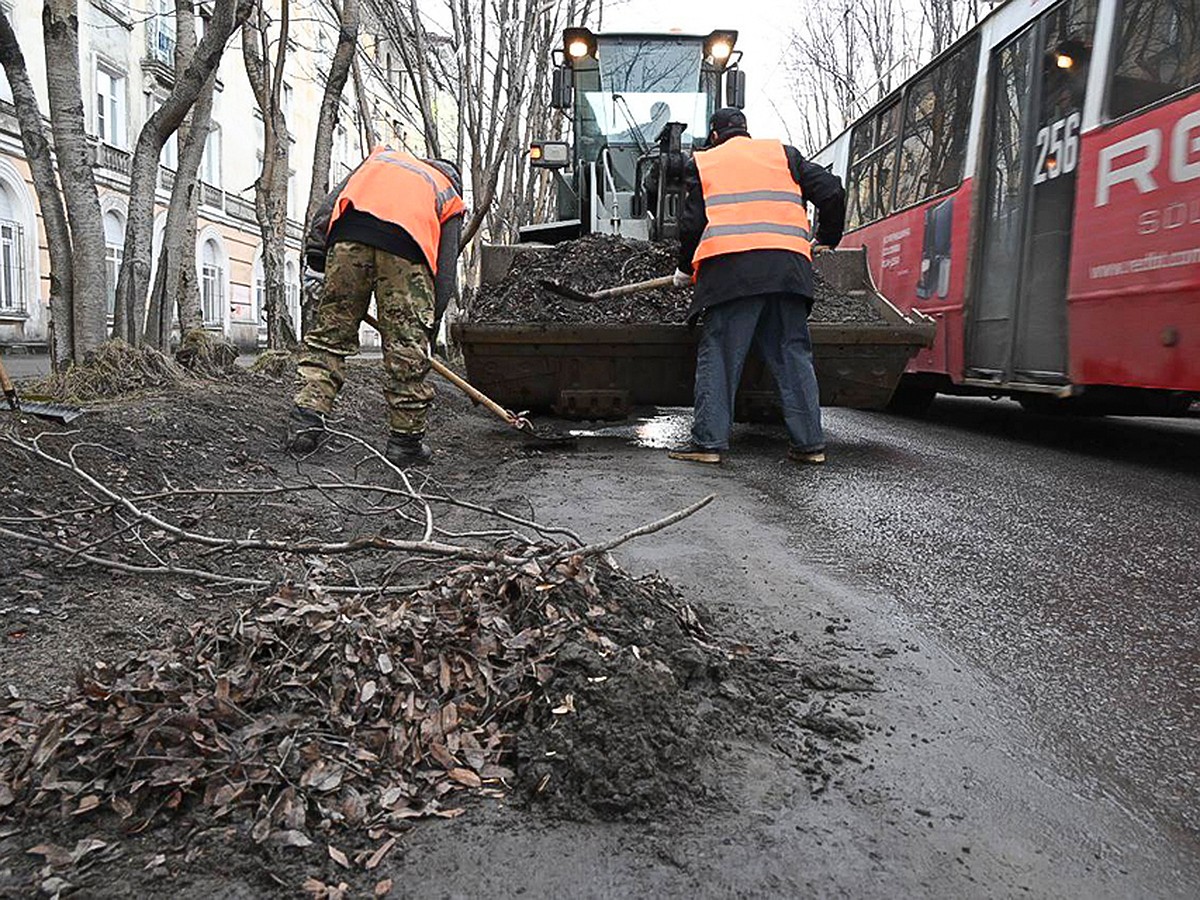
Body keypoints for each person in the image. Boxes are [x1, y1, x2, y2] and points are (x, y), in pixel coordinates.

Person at [667, 108, 846, 466]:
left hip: (733, 274)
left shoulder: (707, 162)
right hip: (788, 272)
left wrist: (685, 269)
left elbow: (691, 225)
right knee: (792, 355)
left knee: (720, 355)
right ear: (746, 131)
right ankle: (810, 445)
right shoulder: (784, 155)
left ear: (715, 135)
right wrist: (826, 237)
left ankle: (708, 443)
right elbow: (832, 190)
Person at [286, 147, 466, 466]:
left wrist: (316, 260)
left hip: (347, 240)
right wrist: (428, 325)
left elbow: (327, 209)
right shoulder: (448, 193)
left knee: (329, 338)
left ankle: (305, 425)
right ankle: (405, 444)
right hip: (407, 253)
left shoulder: (380, 161)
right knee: (406, 353)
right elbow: (446, 269)